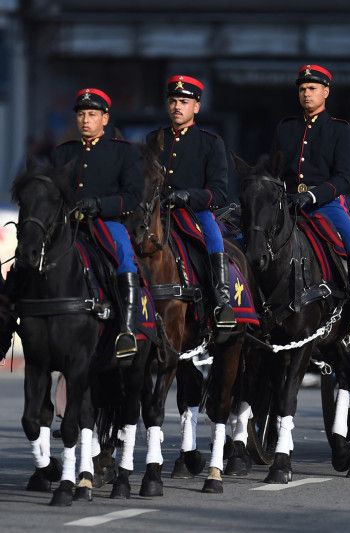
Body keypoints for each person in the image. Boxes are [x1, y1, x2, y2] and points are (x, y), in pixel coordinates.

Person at [272, 64, 350, 342]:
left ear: (325, 92)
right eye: (302, 89)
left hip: (324, 204)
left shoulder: (340, 130)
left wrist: (313, 195)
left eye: (312, 88)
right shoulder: (286, 127)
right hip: (287, 202)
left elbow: (342, 178)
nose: (306, 94)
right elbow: (275, 170)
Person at [50, 88, 143, 357]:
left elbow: (133, 196)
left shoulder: (123, 152)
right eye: (81, 114)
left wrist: (100, 205)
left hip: (106, 223)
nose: (85, 120)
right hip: (68, 226)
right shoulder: (62, 154)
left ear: (105, 118)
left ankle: (127, 329)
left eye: (92, 114)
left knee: (125, 257)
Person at [146, 75, 235, 331]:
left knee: (214, 238)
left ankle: (222, 302)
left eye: (184, 101)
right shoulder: (154, 139)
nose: (177, 106)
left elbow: (218, 192)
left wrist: (188, 197)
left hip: (193, 213)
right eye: (173, 101)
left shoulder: (211, 142)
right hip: (156, 213)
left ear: (196, 107)